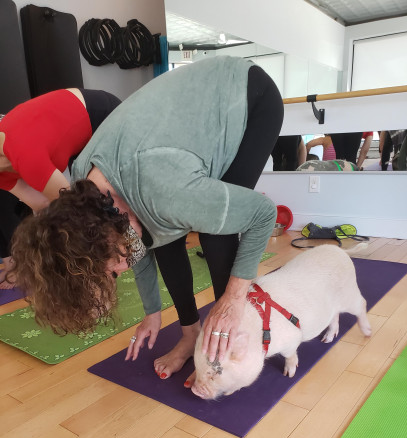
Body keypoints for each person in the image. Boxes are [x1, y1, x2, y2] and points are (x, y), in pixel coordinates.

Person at [10, 56, 283, 386]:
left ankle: (222, 344)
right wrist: (153, 313)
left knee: (215, 234)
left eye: (111, 270)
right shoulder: (85, 189)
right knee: (157, 234)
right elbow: (136, 246)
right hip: (178, 135)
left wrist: (234, 297)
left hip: (249, 97)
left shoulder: (166, 191)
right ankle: (191, 334)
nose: (118, 272)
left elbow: (262, 214)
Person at [0, 88, 121, 287]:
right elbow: (41, 205)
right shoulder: (4, 171)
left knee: (89, 209)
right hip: (75, 136)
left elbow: (77, 211)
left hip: (102, 113)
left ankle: (105, 274)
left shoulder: (26, 155)